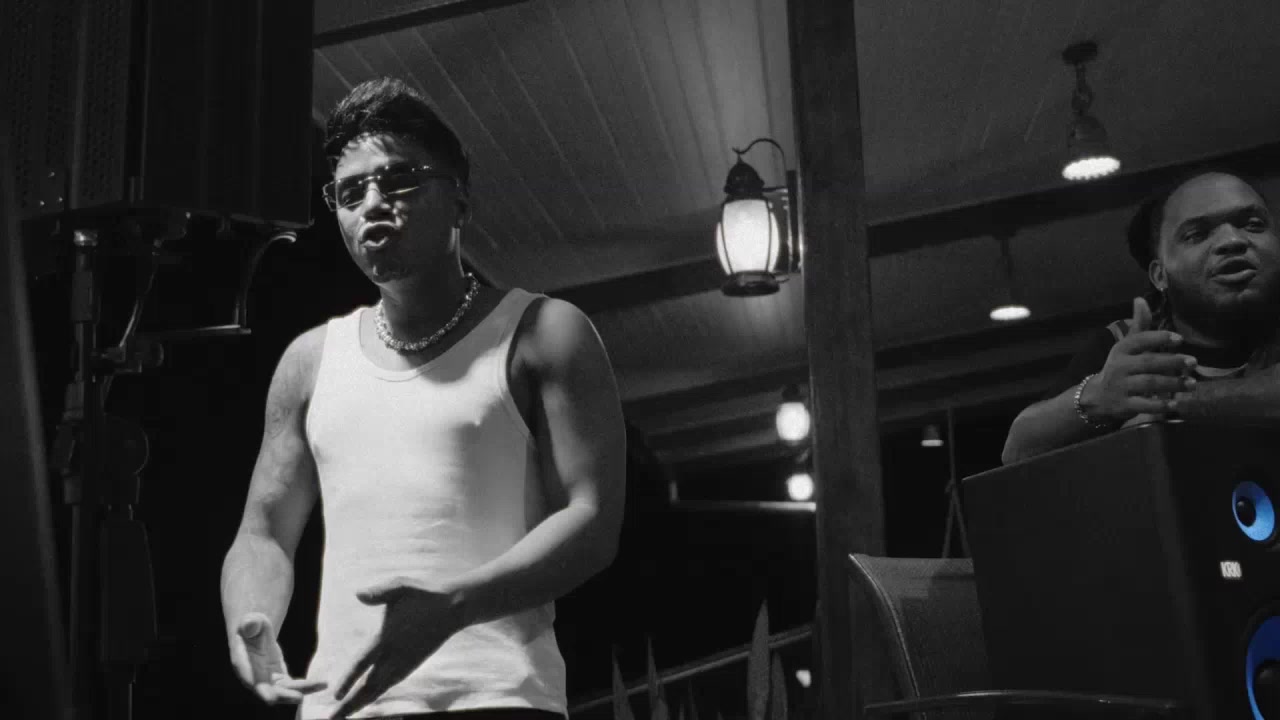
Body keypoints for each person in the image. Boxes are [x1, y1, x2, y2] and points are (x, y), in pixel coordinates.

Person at [220, 77, 627, 720]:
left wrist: (453, 608)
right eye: (350, 192)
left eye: (399, 179)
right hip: (340, 709)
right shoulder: (310, 361)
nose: (372, 203)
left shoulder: (544, 332)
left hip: (496, 700)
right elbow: (263, 532)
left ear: (460, 200)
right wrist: (252, 616)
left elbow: (593, 519)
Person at [1002, 169, 1280, 465]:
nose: (1232, 240)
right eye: (1197, 234)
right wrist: (1099, 395)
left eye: (1253, 224)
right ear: (1160, 275)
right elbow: (1017, 449)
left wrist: (1170, 404)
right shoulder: (1128, 343)